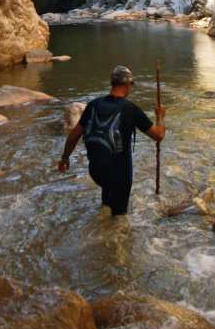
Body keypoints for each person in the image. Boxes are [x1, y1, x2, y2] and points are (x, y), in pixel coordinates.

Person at [57, 65, 166, 217]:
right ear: (128, 85)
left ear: (112, 83)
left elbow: (75, 134)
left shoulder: (94, 105)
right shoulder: (130, 109)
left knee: (107, 201)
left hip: (96, 171)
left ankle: (103, 221)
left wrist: (64, 158)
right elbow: (159, 135)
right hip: (119, 175)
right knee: (119, 220)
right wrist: (160, 115)